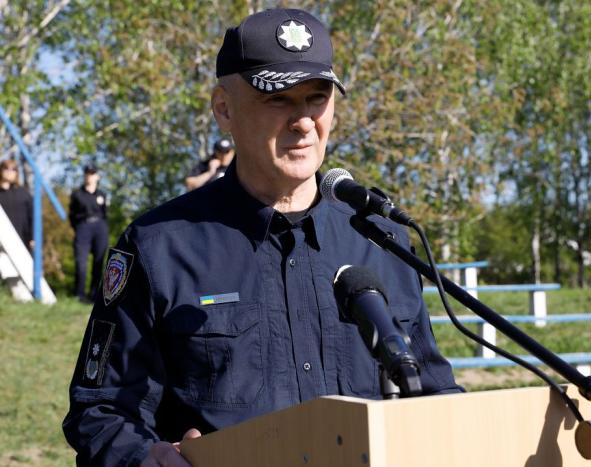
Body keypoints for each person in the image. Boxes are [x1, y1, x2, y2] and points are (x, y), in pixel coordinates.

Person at [64, 8, 463, 467]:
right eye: (279, 99)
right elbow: (101, 411)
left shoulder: (380, 240)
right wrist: (147, 458)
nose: (304, 121)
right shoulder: (160, 247)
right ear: (224, 109)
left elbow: (434, 396)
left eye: (317, 98)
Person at [69, 164, 109, 303]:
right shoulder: (77, 194)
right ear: (84, 175)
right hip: (83, 227)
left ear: (97, 176)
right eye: (87, 173)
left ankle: (94, 295)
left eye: (92, 173)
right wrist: (80, 227)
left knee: (99, 262)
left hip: (100, 227)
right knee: (81, 262)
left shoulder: (102, 195)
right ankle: (79, 294)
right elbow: (72, 216)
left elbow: (105, 213)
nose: (89, 176)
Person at [0, 158, 33, 250]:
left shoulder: (24, 194)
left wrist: (33, 237)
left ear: (17, 173)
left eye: (13, 169)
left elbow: (32, 217)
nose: (9, 172)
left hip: (21, 243)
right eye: (6, 168)